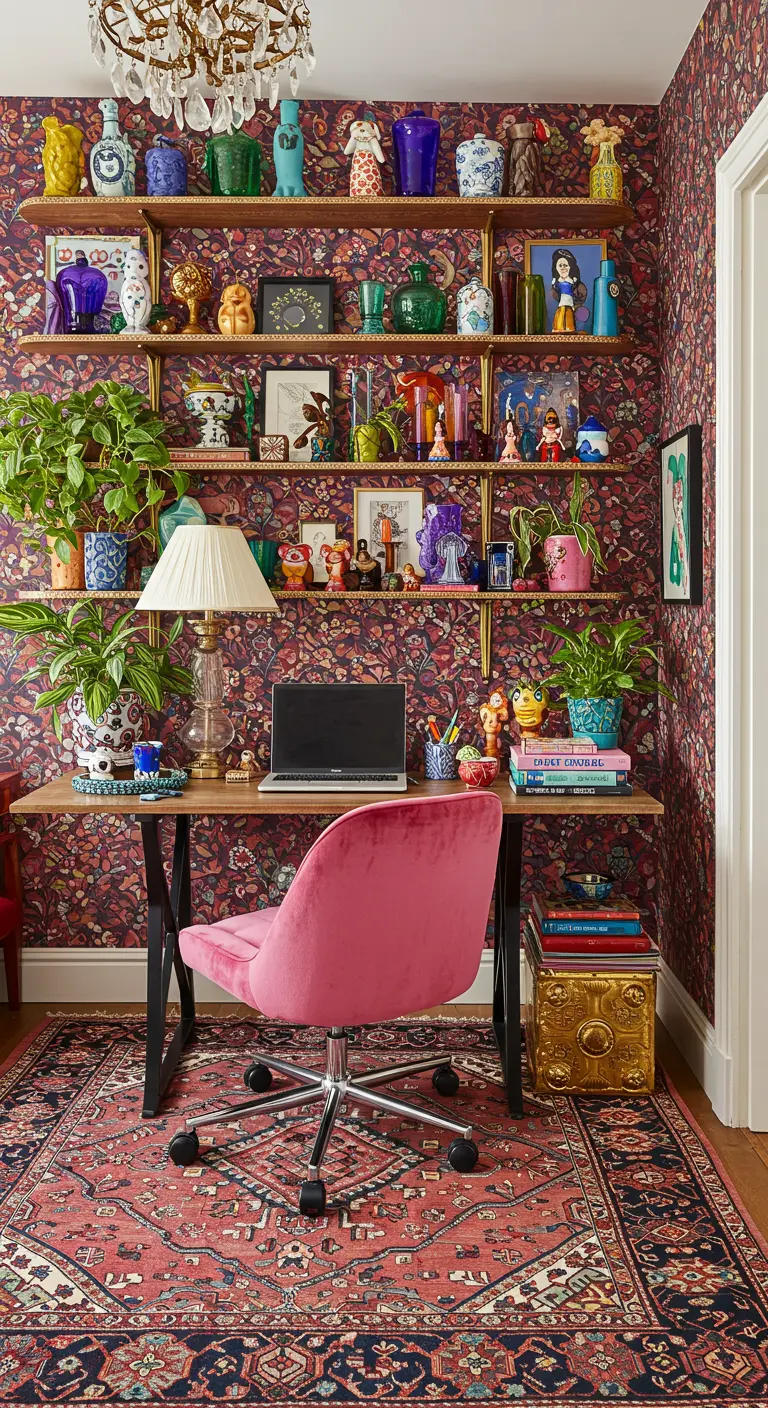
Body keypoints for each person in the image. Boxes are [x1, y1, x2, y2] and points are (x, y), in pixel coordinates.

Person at [550, 248, 582, 334]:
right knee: (561, 314)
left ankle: (569, 328)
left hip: (569, 300)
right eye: (560, 265)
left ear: (570, 267)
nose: (563, 268)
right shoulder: (557, 282)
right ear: (556, 268)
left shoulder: (572, 281)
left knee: (569, 315)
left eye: (565, 265)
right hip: (562, 301)